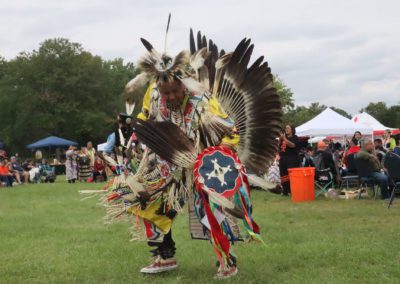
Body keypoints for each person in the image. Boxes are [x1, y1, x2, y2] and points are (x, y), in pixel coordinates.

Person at [88, 30, 282, 279]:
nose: (168, 96)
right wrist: (135, 133)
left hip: (200, 163)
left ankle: (226, 260)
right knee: (144, 199)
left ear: (183, 84)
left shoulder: (203, 102)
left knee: (211, 212)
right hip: (166, 160)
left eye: (173, 91)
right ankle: (164, 255)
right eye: (164, 91)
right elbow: (146, 115)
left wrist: (214, 156)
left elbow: (229, 130)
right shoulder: (155, 93)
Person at [279, 124, 300, 195]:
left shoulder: (295, 137)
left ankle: (292, 191)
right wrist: (280, 138)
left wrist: (284, 138)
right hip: (283, 158)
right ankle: (285, 191)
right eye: (286, 128)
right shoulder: (283, 138)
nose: (286, 129)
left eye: (288, 128)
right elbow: (279, 146)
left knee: (291, 175)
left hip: (292, 158)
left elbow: (292, 145)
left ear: (292, 130)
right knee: (283, 174)